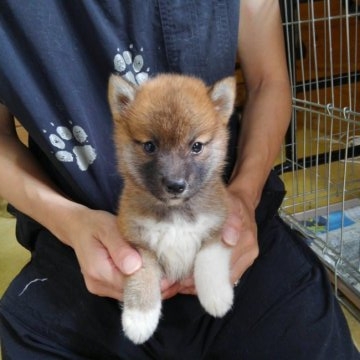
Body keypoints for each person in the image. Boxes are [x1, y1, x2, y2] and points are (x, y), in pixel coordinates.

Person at [0, 0, 358, 359]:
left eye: (197, 146)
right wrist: (69, 221)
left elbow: (269, 81)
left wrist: (245, 195)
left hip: (235, 229)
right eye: (151, 146)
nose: (174, 177)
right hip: (74, 244)